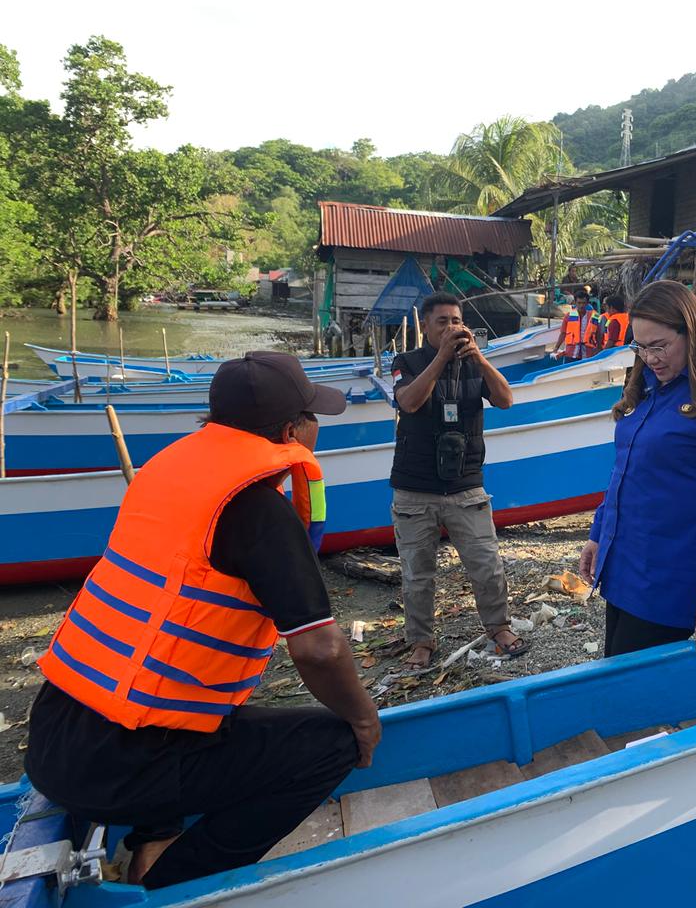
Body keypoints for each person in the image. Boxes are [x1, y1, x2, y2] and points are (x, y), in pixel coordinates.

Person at [25, 352, 380, 889]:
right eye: (312, 418)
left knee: (189, 699)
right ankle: (176, 882)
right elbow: (319, 650)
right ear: (290, 431)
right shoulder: (258, 509)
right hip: (118, 766)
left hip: (54, 733)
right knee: (331, 745)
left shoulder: (168, 470)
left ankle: (152, 835)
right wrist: (362, 721)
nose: (315, 429)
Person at [577, 281, 696, 658]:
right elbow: (626, 471)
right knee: (614, 678)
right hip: (625, 570)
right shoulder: (647, 389)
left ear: (692, 334)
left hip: (670, 582)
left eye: (660, 346)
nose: (651, 358)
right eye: (641, 347)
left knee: (640, 702)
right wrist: (599, 534)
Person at [390, 292, 525, 668]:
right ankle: (421, 641)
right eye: (442, 322)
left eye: (456, 321)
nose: (451, 328)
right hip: (415, 489)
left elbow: (506, 400)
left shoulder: (473, 364)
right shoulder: (407, 361)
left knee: (487, 564)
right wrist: (441, 358)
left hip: (466, 485)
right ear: (426, 327)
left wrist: (479, 358)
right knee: (418, 573)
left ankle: (499, 627)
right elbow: (409, 402)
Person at [552, 288, 599, 361]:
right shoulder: (568, 316)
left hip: (588, 353)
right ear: (575, 302)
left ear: (587, 303)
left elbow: (599, 334)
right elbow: (563, 333)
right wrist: (556, 348)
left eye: (583, 303)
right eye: (579, 303)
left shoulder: (594, 317)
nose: (581, 305)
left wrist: (598, 349)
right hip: (571, 352)